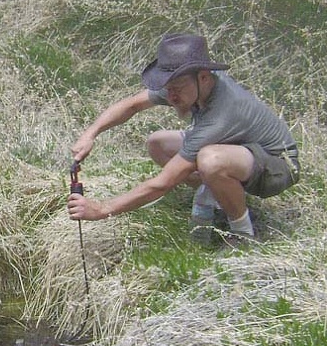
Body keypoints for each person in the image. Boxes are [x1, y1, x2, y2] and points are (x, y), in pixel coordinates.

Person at [67, 33, 300, 244]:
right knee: (158, 144)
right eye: (167, 88)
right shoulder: (187, 84)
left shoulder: (223, 113)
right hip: (239, 149)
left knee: (211, 160)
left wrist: (101, 210)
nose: (171, 96)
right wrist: (91, 134)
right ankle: (215, 194)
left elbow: (163, 183)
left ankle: (242, 232)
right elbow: (132, 105)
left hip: (277, 164)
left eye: (177, 87)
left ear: (204, 77)